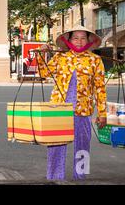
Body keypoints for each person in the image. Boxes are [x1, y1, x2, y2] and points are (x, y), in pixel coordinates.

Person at [37, 25, 107, 181]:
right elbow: (43, 73)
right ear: (68, 40)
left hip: (84, 109)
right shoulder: (61, 57)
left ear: (89, 40)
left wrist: (102, 113)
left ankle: (80, 176)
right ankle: (54, 176)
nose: (80, 41)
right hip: (59, 107)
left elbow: (100, 88)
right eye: (76, 38)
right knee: (55, 145)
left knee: (83, 144)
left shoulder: (95, 60)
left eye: (83, 38)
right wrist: (42, 54)